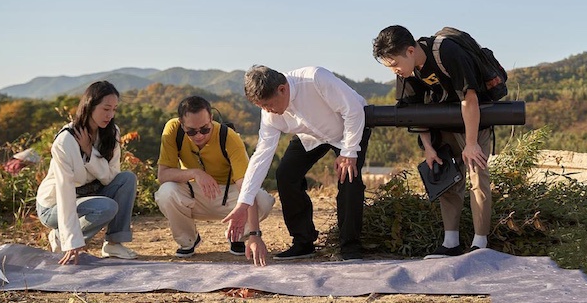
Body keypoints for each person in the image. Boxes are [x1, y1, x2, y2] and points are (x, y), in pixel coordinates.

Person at [223, 65, 371, 261]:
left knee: (349, 178)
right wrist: (244, 203)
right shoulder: (269, 112)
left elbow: (353, 110)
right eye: (262, 107)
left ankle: (350, 247)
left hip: (349, 128)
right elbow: (262, 155)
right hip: (310, 135)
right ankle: (303, 242)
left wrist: (349, 152)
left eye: (268, 105)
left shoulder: (315, 79)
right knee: (285, 174)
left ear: (282, 89)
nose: (268, 111)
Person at [372, 25, 493, 258]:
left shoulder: (446, 52)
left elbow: (470, 98)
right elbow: (415, 111)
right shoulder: (406, 73)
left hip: (474, 123)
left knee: (478, 178)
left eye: (395, 64)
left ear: (409, 51)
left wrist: (471, 143)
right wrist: (428, 148)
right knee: (446, 178)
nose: (394, 71)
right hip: (442, 126)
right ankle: (451, 243)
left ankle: (480, 244)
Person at [155, 96, 275, 266]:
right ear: (181, 124)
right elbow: (163, 175)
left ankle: (238, 236)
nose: (198, 136)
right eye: (191, 131)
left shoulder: (229, 137)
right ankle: (188, 240)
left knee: (262, 200)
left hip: (228, 196)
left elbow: (245, 186)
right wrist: (196, 173)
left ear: (211, 118)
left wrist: (255, 234)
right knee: (166, 192)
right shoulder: (172, 130)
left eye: (205, 129)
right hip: (194, 193)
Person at [36, 81, 138, 265]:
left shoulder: (111, 133)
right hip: (54, 206)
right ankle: (61, 236)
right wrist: (71, 239)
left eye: (114, 109)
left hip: (89, 196)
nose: (110, 115)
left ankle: (113, 243)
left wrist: (91, 152)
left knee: (127, 179)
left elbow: (111, 176)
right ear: (90, 105)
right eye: (106, 108)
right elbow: (64, 191)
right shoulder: (66, 140)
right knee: (106, 207)